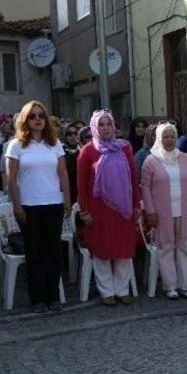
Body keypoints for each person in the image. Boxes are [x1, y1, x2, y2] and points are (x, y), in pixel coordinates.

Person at [6, 101, 70, 313]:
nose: (37, 119)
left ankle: (53, 297)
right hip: (29, 206)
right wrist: (16, 205)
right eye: (32, 116)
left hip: (53, 204)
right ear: (26, 119)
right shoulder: (16, 145)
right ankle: (37, 299)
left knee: (53, 252)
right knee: (35, 253)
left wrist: (67, 199)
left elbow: (62, 174)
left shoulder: (55, 144)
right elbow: (11, 178)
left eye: (41, 115)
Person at [78, 109, 140, 306]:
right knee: (102, 250)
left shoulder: (125, 148)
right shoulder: (88, 150)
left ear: (114, 126)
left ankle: (122, 290)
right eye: (101, 124)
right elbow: (81, 183)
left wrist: (136, 204)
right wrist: (84, 210)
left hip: (123, 209)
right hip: (98, 209)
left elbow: (133, 178)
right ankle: (107, 291)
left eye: (109, 124)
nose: (105, 128)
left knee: (122, 249)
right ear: (95, 128)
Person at [140, 123, 187, 300]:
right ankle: (171, 286)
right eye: (165, 137)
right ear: (159, 138)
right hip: (162, 213)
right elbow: (145, 188)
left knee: (185, 247)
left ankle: (185, 285)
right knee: (166, 248)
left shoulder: (184, 158)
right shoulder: (151, 160)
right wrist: (150, 211)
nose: (169, 140)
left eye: (172, 136)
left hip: (184, 211)